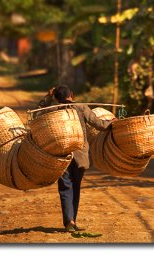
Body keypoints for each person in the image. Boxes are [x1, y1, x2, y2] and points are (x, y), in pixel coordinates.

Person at [36, 84, 114, 232]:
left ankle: (69, 221)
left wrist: (47, 98)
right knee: (75, 187)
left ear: (56, 97)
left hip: (61, 155)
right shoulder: (82, 108)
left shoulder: (52, 110)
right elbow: (100, 124)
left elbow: (35, 115)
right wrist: (112, 123)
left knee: (65, 187)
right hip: (80, 155)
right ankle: (72, 221)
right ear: (72, 95)